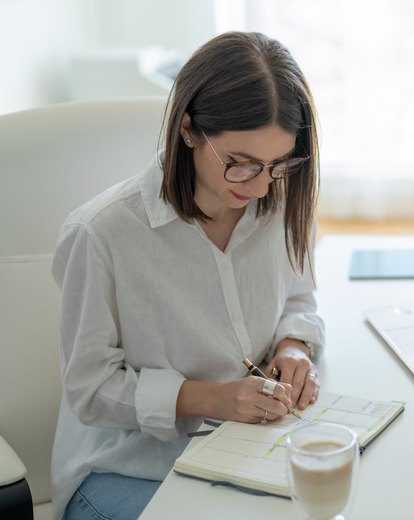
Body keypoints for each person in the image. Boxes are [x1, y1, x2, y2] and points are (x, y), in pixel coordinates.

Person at [50, 31, 324, 520]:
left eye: (278, 164)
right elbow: (89, 389)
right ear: (189, 130)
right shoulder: (102, 233)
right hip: (128, 469)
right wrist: (216, 398)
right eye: (241, 164)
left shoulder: (278, 201)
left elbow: (298, 300)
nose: (262, 185)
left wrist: (293, 348)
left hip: (246, 449)